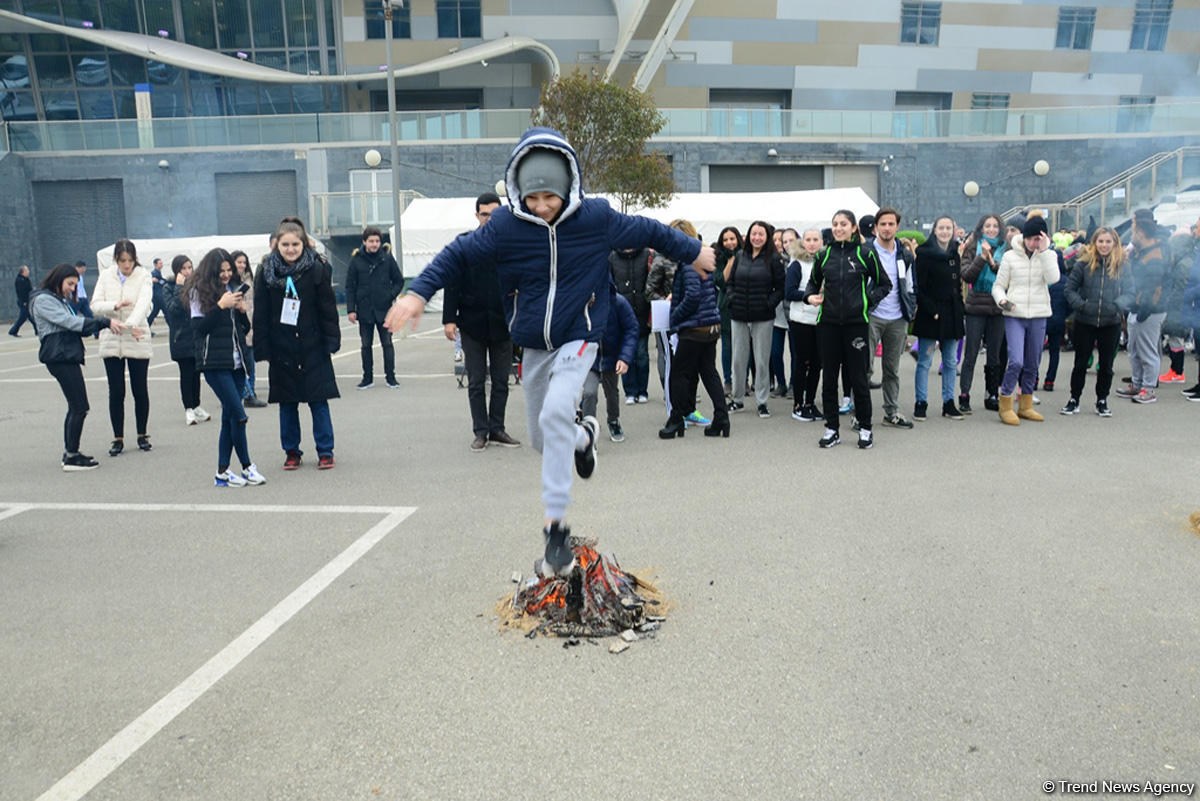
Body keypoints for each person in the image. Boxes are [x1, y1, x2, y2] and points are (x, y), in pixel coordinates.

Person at [385, 126, 713, 578]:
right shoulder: (505, 225)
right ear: (518, 189)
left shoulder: (596, 218)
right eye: (533, 197)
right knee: (545, 438)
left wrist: (694, 252)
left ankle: (555, 529)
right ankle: (585, 437)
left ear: (567, 188)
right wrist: (417, 294)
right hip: (534, 343)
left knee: (559, 408)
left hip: (581, 334)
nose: (541, 206)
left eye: (550, 198)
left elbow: (651, 229)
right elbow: (457, 255)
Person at [253, 216, 341, 470]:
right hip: (281, 347)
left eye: (295, 245)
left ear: (304, 244)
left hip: (313, 345)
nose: (290, 250)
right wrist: (263, 347)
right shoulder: (266, 271)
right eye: (285, 245)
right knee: (287, 403)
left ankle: (325, 451)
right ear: (276, 246)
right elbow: (261, 311)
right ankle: (292, 451)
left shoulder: (316, 268)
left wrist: (330, 341)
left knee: (318, 400)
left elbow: (327, 307)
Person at [804, 209, 891, 449]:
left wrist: (867, 301)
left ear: (853, 228)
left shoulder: (865, 253)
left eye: (843, 224)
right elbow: (812, 283)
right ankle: (832, 429)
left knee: (858, 379)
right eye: (835, 224)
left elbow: (885, 284)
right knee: (829, 379)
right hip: (828, 325)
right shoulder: (823, 255)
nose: (838, 228)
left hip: (856, 326)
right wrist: (810, 296)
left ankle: (865, 428)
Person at [29, 263, 127, 470]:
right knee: (79, 406)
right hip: (59, 357)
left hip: (66, 356)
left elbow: (76, 325)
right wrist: (103, 322)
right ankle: (71, 456)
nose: (72, 288)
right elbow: (69, 322)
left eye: (75, 285)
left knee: (77, 406)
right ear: (58, 279)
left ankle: (70, 452)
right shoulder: (43, 300)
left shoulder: (55, 299)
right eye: (70, 283)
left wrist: (100, 324)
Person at [442, 194, 520, 451]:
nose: (489, 218)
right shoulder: (465, 244)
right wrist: (449, 320)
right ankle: (481, 431)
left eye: (494, 214)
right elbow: (451, 282)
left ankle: (497, 428)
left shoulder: (510, 246)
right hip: (472, 324)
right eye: (484, 214)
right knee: (476, 381)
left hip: (503, 324)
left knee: (501, 380)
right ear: (477, 216)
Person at [186, 248, 266, 488]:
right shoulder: (198, 293)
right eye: (221, 271)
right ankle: (247, 466)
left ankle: (222, 472)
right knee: (239, 416)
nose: (226, 274)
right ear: (210, 270)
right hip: (214, 363)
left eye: (229, 270)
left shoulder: (232, 290)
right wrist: (220, 306)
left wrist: (241, 312)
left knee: (230, 418)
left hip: (237, 361)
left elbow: (243, 328)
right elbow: (199, 330)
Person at [991, 215, 1059, 425]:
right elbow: (998, 285)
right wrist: (1002, 301)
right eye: (1030, 238)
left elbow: (1053, 279)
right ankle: (1006, 403)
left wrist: (1045, 252)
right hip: (1015, 314)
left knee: (1033, 362)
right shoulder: (1011, 257)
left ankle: (1026, 404)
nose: (1033, 243)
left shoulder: (1049, 255)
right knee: (1016, 360)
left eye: (1037, 239)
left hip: (1039, 314)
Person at [660, 230, 728, 439]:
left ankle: (676, 420)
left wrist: (675, 318)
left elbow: (691, 297)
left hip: (694, 328)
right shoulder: (701, 260)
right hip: (710, 325)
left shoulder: (689, 263)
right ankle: (722, 417)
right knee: (709, 372)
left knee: (679, 374)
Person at [1060, 227, 1133, 417]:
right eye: (1100, 241)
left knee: (1106, 365)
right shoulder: (1083, 264)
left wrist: (1117, 306)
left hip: (1111, 322)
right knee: (1080, 363)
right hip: (1085, 320)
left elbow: (1130, 293)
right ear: (1094, 243)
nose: (1104, 245)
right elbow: (1069, 289)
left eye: (1108, 241)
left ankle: (1102, 400)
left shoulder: (1122, 265)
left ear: (1114, 244)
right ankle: (1074, 399)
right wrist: (1081, 305)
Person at [91, 239, 154, 455]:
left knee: (139, 388)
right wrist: (114, 306)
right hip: (111, 336)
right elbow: (95, 306)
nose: (126, 265)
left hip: (135, 335)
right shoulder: (106, 275)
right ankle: (117, 437)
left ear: (135, 259)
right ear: (116, 260)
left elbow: (143, 304)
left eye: (130, 260)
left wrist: (130, 325)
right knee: (116, 391)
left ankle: (142, 434)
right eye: (122, 261)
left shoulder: (143, 276)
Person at [726, 220, 785, 418]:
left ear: (766, 237)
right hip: (739, 315)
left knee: (761, 360)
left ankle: (762, 401)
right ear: (748, 236)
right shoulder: (740, 256)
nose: (757, 237)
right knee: (738, 359)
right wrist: (732, 298)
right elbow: (731, 282)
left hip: (763, 317)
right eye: (753, 234)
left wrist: (769, 304)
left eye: (761, 234)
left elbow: (780, 287)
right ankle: (737, 399)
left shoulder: (773, 259)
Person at [866, 207, 916, 428]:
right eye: (883, 224)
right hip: (871, 316)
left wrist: (910, 309)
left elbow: (910, 286)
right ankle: (861, 414)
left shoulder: (904, 253)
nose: (887, 228)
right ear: (876, 227)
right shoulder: (865, 251)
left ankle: (891, 412)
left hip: (897, 318)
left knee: (892, 369)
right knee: (864, 368)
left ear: (897, 226)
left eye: (891, 224)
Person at [912, 215, 966, 421]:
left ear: (953, 230)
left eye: (948, 228)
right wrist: (932, 310)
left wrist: (960, 310)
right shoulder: (924, 254)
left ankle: (948, 402)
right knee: (925, 361)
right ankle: (921, 402)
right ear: (934, 230)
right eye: (941, 228)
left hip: (952, 313)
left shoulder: (955, 254)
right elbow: (919, 287)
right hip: (930, 313)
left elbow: (957, 286)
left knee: (951, 361)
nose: (945, 231)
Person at [1116, 211, 1169, 404]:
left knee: (1147, 351)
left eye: (1133, 230)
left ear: (1140, 233)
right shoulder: (1144, 251)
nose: (1131, 235)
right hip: (1139, 307)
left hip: (1149, 310)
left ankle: (1148, 388)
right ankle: (1138, 384)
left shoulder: (1154, 255)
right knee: (1135, 349)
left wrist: (1144, 310)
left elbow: (1154, 288)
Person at [959, 213, 1009, 412]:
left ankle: (991, 394)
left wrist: (992, 262)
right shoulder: (972, 246)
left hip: (998, 306)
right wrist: (981, 257)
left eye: (995, 226)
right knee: (970, 354)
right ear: (981, 228)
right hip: (976, 305)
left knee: (995, 356)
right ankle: (964, 395)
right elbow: (967, 275)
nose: (991, 229)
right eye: (987, 226)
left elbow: (1007, 276)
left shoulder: (1007, 249)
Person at [346, 225, 404, 390]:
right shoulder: (356, 260)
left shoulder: (387, 258)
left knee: (387, 343)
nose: (374, 244)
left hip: (384, 310)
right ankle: (367, 378)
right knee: (365, 345)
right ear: (364, 242)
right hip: (364, 310)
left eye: (377, 241)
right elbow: (350, 286)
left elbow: (399, 281)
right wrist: (351, 309)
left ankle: (391, 377)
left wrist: (389, 295)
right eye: (371, 241)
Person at [161, 254, 212, 426]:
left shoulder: (196, 286)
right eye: (184, 268)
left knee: (197, 373)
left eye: (190, 267)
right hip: (180, 336)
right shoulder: (168, 287)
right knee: (186, 373)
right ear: (177, 270)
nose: (188, 271)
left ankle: (197, 405)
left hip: (195, 335)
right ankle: (188, 408)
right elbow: (173, 309)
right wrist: (179, 287)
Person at [583, 287, 636, 443]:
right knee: (589, 393)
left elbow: (631, 329)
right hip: (589, 359)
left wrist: (624, 358)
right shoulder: (581, 303)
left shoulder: (619, 303)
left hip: (612, 358)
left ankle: (613, 420)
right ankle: (588, 429)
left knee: (611, 392)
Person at [784, 230, 823, 422]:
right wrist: (807, 297)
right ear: (802, 242)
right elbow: (789, 292)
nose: (812, 243)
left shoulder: (824, 261)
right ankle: (798, 405)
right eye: (808, 240)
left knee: (817, 364)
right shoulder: (796, 264)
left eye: (816, 240)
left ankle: (810, 403)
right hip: (801, 320)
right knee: (802, 363)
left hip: (820, 320)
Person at [609, 244, 653, 404]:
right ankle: (630, 391)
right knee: (626, 354)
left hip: (642, 310)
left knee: (641, 354)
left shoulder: (646, 255)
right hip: (621, 312)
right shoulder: (613, 257)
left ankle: (642, 390)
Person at [230, 250, 267, 408]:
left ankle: (250, 391)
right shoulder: (230, 282)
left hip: (251, 322)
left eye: (244, 262)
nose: (242, 265)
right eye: (239, 262)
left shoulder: (250, 279)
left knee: (251, 362)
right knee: (243, 363)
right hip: (238, 326)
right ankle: (247, 394)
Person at [712, 225, 742, 394]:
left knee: (744, 346)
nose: (729, 242)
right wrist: (730, 262)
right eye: (726, 239)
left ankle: (743, 380)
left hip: (743, 304)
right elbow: (720, 281)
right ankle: (728, 380)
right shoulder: (719, 258)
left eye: (732, 238)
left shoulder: (746, 255)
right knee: (727, 346)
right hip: (725, 306)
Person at [769, 227, 798, 398]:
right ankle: (781, 383)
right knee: (775, 352)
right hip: (777, 314)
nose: (782, 244)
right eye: (778, 241)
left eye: (786, 240)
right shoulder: (772, 261)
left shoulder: (799, 260)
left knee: (796, 352)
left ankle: (794, 384)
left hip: (794, 313)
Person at [9, 265, 34, 337]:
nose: (28, 271)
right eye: (27, 270)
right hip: (24, 302)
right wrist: (24, 302)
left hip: (27, 301)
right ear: (23, 272)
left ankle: (37, 330)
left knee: (31, 317)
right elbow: (21, 292)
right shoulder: (20, 280)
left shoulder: (26, 279)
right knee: (22, 317)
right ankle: (13, 331)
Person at [148, 257, 165, 330]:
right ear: (155, 264)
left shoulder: (158, 273)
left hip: (158, 296)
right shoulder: (154, 273)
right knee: (166, 311)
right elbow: (161, 281)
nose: (162, 265)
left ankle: (147, 325)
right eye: (160, 263)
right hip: (158, 296)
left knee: (154, 312)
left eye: (162, 263)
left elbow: (161, 281)